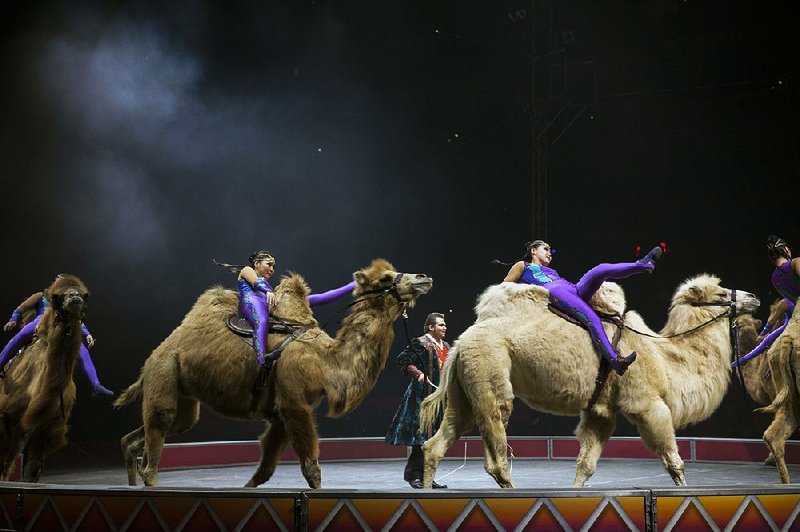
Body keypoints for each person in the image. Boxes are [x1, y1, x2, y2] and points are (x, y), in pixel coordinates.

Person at [503, 240, 662, 376]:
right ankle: (616, 361)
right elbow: (504, 287)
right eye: (546, 249)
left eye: (550, 251)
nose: (550, 253)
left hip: (572, 288)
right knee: (592, 318)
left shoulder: (552, 270)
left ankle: (642, 264)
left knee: (601, 269)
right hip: (554, 291)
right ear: (533, 250)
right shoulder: (522, 266)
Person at [216, 250, 356, 366]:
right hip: (252, 300)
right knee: (262, 320)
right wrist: (268, 291)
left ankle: (352, 285)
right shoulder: (247, 271)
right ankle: (260, 360)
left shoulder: (268, 287)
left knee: (314, 299)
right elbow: (256, 282)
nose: (272, 269)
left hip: (267, 302)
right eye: (269, 264)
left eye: (274, 266)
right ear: (256, 264)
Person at [0, 276, 113, 396]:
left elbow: (76, 318)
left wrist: (87, 333)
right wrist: (13, 319)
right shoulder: (41, 296)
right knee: (22, 335)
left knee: (82, 350)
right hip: (42, 321)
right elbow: (21, 308)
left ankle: (95, 384)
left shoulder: (65, 299)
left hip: (61, 325)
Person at [385, 312, 450, 489]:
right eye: (441, 325)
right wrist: (418, 373)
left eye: (444, 325)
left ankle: (428, 476)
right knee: (420, 438)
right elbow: (402, 360)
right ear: (431, 327)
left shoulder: (446, 346)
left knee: (433, 439)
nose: (444, 327)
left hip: (438, 398)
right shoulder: (421, 343)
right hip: (420, 396)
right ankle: (414, 476)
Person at [733, 235, 800, 367]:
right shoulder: (796, 262)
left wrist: (763, 332)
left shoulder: (774, 278)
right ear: (786, 249)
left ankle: (743, 360)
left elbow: (790, 299)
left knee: (771, 338)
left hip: (796, 315)